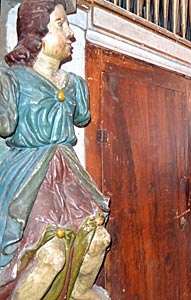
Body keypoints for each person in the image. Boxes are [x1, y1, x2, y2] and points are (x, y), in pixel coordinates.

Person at [0, 0, 110, 299]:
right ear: (36, 33)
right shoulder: (12, 79)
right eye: (61, 24)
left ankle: (79, 292)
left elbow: (82, 118)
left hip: (68, 171)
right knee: (49, 256)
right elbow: (5, 127)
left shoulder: (75, 84)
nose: (71, 33)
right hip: (30, 173)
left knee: (99, 238)